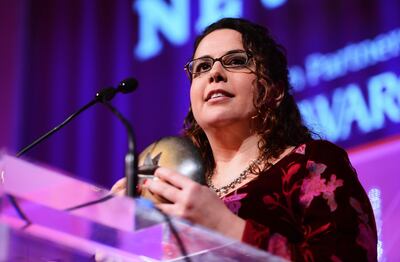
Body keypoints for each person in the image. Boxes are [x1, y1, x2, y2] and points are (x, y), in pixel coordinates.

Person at [112, 18, 377, 261]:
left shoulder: (312, 163)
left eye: (236, 61)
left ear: (274, 90)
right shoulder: (171, 190)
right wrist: (116, 241)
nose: (214, 73)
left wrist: (223, 226)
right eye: (202, 67)